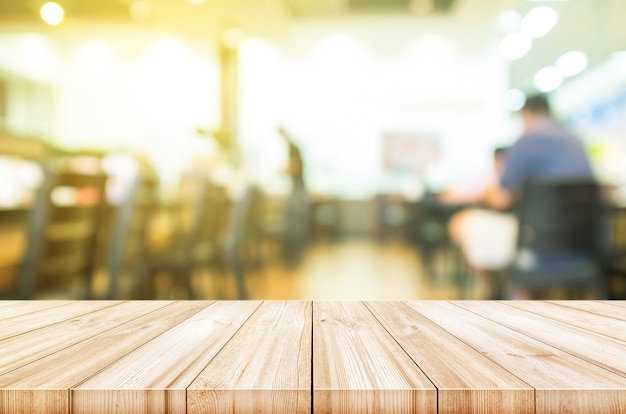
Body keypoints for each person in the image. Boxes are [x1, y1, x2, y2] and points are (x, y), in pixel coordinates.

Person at [448, 93, 595, 297]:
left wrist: (484, 193)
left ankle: (498, 290)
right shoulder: (576, 140)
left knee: (460, 223)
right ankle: (518, 291)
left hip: (537, 245)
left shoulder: (526, 141)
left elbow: (501, 199)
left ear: (525, 114)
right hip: (580, 243)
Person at [277, 126, 310, 266]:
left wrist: (283, 171)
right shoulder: (293, 147)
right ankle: (293, 255)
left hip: (298, 190)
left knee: (294, 225)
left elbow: (294, 168)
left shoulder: (293, 148)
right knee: (294, 223)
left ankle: (294, 256)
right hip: (297, 189)